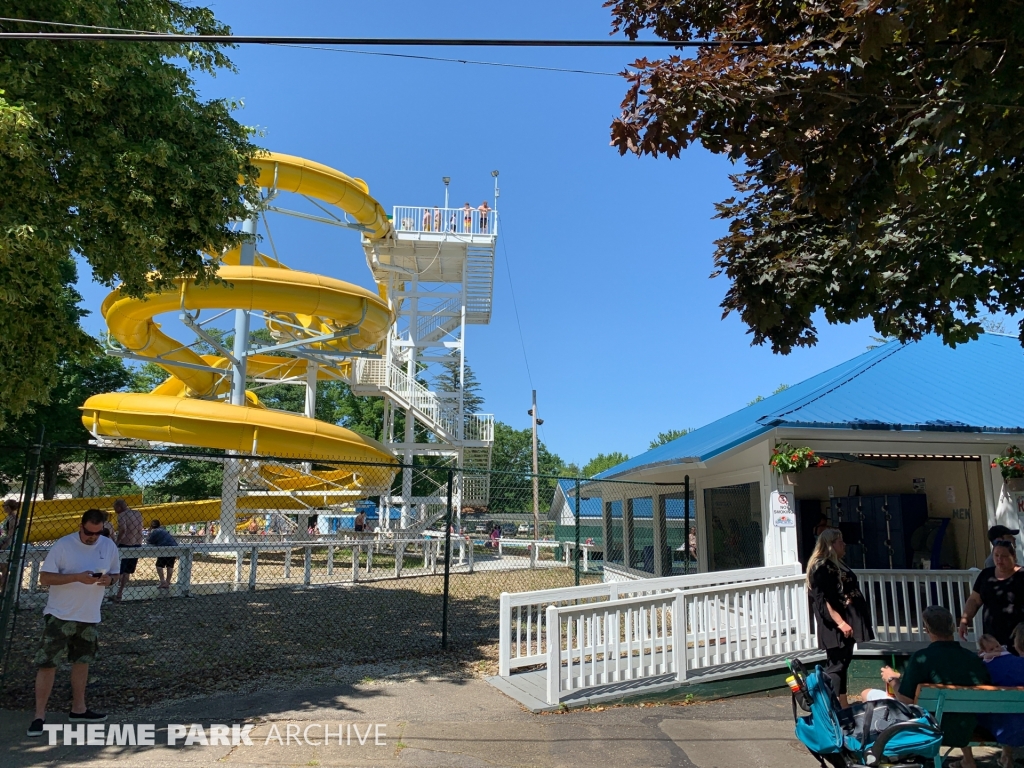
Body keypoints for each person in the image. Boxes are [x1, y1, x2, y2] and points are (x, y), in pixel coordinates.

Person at [859, 606, 990, 768]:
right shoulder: (973, 659)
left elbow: (906, 700)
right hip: (967, 728)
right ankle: (968, 760)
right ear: (953, 628)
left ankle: (877, 754)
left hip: (928, 729)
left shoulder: (922, 658)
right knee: (954, 708)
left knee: (868, 694)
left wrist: (892, 680)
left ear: (927, 630)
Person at [28, 509, 119, 736]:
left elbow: (116, 574)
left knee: (82, 661)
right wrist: (76, 577)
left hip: (89, 615)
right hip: (60, 614)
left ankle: (79, 708)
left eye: (98, 533)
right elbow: (45, 577)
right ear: (80, 526)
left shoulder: (108, 546)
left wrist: (109, 580)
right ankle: (39, 715)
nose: (92, 537)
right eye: (89, 532)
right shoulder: (63, 545)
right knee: (48, 663)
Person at [807, 528, 874, 707]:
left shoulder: (836, 564)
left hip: (848, 620)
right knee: (835, 666)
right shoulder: (822, 567)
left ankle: (843, 705)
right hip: (836, 625)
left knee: (843, 664)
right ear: (830, 545)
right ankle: (832, 707)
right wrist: (840, 622)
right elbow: (825, 600)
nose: (844, 545)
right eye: (840, 541)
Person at [959, 539, 1024, 654]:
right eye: (996, 555)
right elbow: (974, 600)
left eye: (1004, 556)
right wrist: (965, 620)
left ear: (1013, 556)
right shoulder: (986, 574)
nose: (999, 559)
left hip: (1017, 636)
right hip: (992, 637)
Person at [978, 624, 1024, 768]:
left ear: (1017, 643)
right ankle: (1006, 757)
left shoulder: (991, 666)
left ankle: (1006, 756)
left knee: (1004, 713)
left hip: (1002, 729)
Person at [112, 498, 142, 603]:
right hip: (137, 544)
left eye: (114, 508)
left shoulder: (121, 515)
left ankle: (115, 592)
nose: (114, 511)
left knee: (119, 569)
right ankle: (120, 591)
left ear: (119, 507)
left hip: (125, 544)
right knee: (127, 571)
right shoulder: (138, 513)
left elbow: (123, 529)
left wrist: (117, 542)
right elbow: (140, 529)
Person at [146, 520, 178, 591]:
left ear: (151, 526)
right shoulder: (163, 530)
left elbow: (148, 541)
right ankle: (167, 582)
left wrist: (148, 533)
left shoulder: (154, 532)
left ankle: (163, 581)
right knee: (170, 566)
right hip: (173, 547)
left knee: (159, 566)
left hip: (163, 548)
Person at [1, 498, 19, 590]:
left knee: (4, 569)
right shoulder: (9, 517)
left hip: (7, 545)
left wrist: (4, 546)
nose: (3, 507)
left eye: (4, 506)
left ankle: (4, 590)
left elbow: (10, 535)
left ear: (8, 507)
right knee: (4, 569)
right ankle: (4, 589)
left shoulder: (13, 519)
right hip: (4, 543)